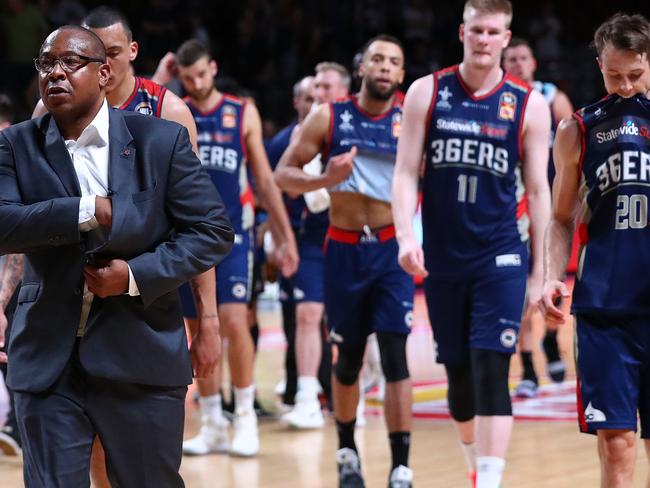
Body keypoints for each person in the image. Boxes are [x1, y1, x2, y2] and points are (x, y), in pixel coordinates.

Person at [0, 25, 233, 487]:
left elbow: (211, 232)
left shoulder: (161, 141)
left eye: (70, 63)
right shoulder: (15, 144)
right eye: (46, 64)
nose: (55, 74)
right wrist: (90, 210)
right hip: (48, 359)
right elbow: (6, 225)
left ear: (105, 72)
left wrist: (134, 275)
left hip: (140, 355)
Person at [392, 1, 551, 487]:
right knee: (458, 381)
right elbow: (403, 173)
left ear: (507, 38)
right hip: (444, 257)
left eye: (493, 32)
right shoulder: (427, 91)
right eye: (476, 30)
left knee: (490, 367)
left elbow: (540, 190)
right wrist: (404, 235)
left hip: (501, 254)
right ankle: (473, 467)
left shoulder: (529, 103)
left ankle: (490, 478)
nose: (483, 39)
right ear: (463, 32)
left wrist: (541, 271)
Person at [276, 34, 414, 488]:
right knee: (349, 359)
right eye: (377, 58)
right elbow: (284, 176)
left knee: (396, 359)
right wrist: (325, 180)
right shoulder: (329, 116)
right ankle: (347, 451)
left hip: (392, 249)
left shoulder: (410, 120)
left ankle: (400, 465)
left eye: (393, 62)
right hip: (343, 248)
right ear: (362, 67)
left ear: (401, 74)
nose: (384, 67)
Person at [167, 39, 298, 457]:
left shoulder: (242, 111)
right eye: (187, 78)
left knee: (233, 322)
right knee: (196, 330)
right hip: (187, 236)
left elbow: (263, 178)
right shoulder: (173, 109)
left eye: (202, 74)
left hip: (233, 235)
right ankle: (212, 422)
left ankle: (244, 415)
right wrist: (164, 76)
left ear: (213, 67)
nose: (197, 82)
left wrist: (284, 235)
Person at [539, 13, 650, 488]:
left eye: (636, 75)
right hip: (604, 308)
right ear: (599, 65)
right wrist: (549, 276)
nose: (625, 86)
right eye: (614, 74)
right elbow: (561, 218)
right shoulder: (577, 130)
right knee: (616, 442)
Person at [277, 63, 351, 429]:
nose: (319, 94)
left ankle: (357, 385)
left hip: (354, 234)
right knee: (307, 315)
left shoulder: (356, 127)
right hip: (311, 237)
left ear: (344, 92)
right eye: (316, 87)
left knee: (353, 321)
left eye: (326, 87)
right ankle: (307, 397)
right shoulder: (294, 137)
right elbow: (281, 186)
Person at [502, 36, 574, 398]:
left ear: (533, 63)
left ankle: (549, 340)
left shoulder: (551, 96)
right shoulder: (500, 101)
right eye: (511, 58)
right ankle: (528, 367)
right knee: (520, 286)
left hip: (551, 198)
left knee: (552, 273)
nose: (517, 63)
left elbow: (578, 145)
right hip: (515, 202)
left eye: (522, 57)